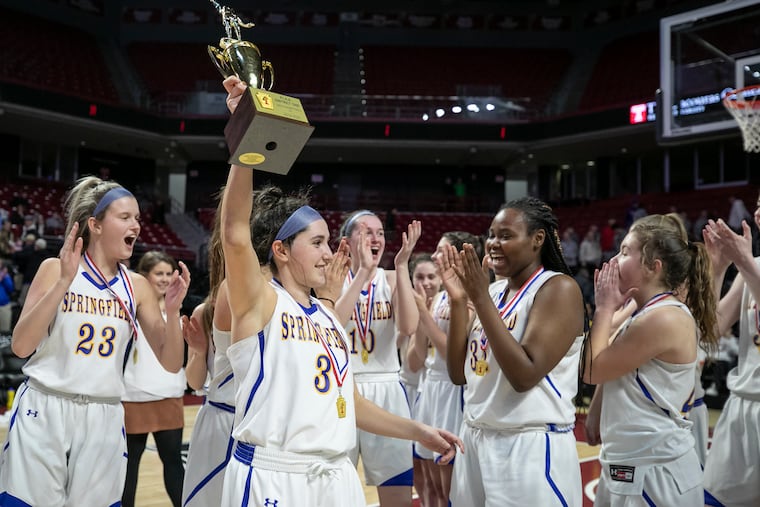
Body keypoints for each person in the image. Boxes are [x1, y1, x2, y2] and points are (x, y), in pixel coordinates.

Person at [218, 75, 462, 507]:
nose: (329, 253)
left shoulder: (327, 318)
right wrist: (246, 140)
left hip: (335, 479)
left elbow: (344, 398)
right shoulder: (261, 300)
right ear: (281, 251)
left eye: (329, 242)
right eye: (316, 243)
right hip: (275, 475)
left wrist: (416, 430)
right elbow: (236, 233)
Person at [0, 176, 190, 505]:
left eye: (139, 219)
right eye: (126, 217)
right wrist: (63, 282)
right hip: (46, 407)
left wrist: (172, 313)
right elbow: (20, 346)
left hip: (104, 414)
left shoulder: (137, 286)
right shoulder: (53, 268)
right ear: (95, 224)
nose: (137, 225)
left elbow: (172, 362)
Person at [440, 197, 585, 506]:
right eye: (491, 234)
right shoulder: (494, 292)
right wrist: (457, 302)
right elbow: (457, 373)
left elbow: (524, 374)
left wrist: (479, 300)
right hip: (476, 436)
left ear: (537, 239)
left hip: (528, 444)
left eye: (506, 235)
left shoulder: (558, 289)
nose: (493, 243)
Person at [583, 213, 717, 506]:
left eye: (625, 251)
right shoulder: (647, 312)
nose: (615, 259)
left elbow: (591, 369)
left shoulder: (663, 317)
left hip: (652, 473)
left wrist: (604, 310)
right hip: (635, 465)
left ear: (653, 268)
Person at [334, 208, 421, 507]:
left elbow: (409, 326)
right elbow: (331, 324)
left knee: (395, 490)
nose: (375, 237)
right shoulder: (331, 279)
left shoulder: (392, 279)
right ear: (346, 241)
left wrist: (402, 265)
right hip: (341, 389)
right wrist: (360, 274)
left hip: (386, 387)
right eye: (366, 231)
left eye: (381, 232)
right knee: (332, 489)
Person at [408, 232, 483, 507]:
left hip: (454, 391)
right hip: (430, 387)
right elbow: (417, 356)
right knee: (431, 483)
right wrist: (421, 317)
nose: (436, 256)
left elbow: (454, 356)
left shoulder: (469, 299)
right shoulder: (439, 296)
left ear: (459, 256)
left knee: (449, 487)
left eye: (442, 251)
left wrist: (424, 314)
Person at [701, 200, 760, 507]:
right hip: (742, 407)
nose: (759, 213)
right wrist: (718, 267)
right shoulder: (754, 266)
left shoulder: (752, 266)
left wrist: (745, 263)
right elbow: (711, 329)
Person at [122, 250, 187, 507]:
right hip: (132, 396)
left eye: (169, 273)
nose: (164, 279)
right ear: (144, 276)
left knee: (173, 463)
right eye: (158, 273)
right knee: (129, 468)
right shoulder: (130, 307)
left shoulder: (179, 311)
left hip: (169, 394)